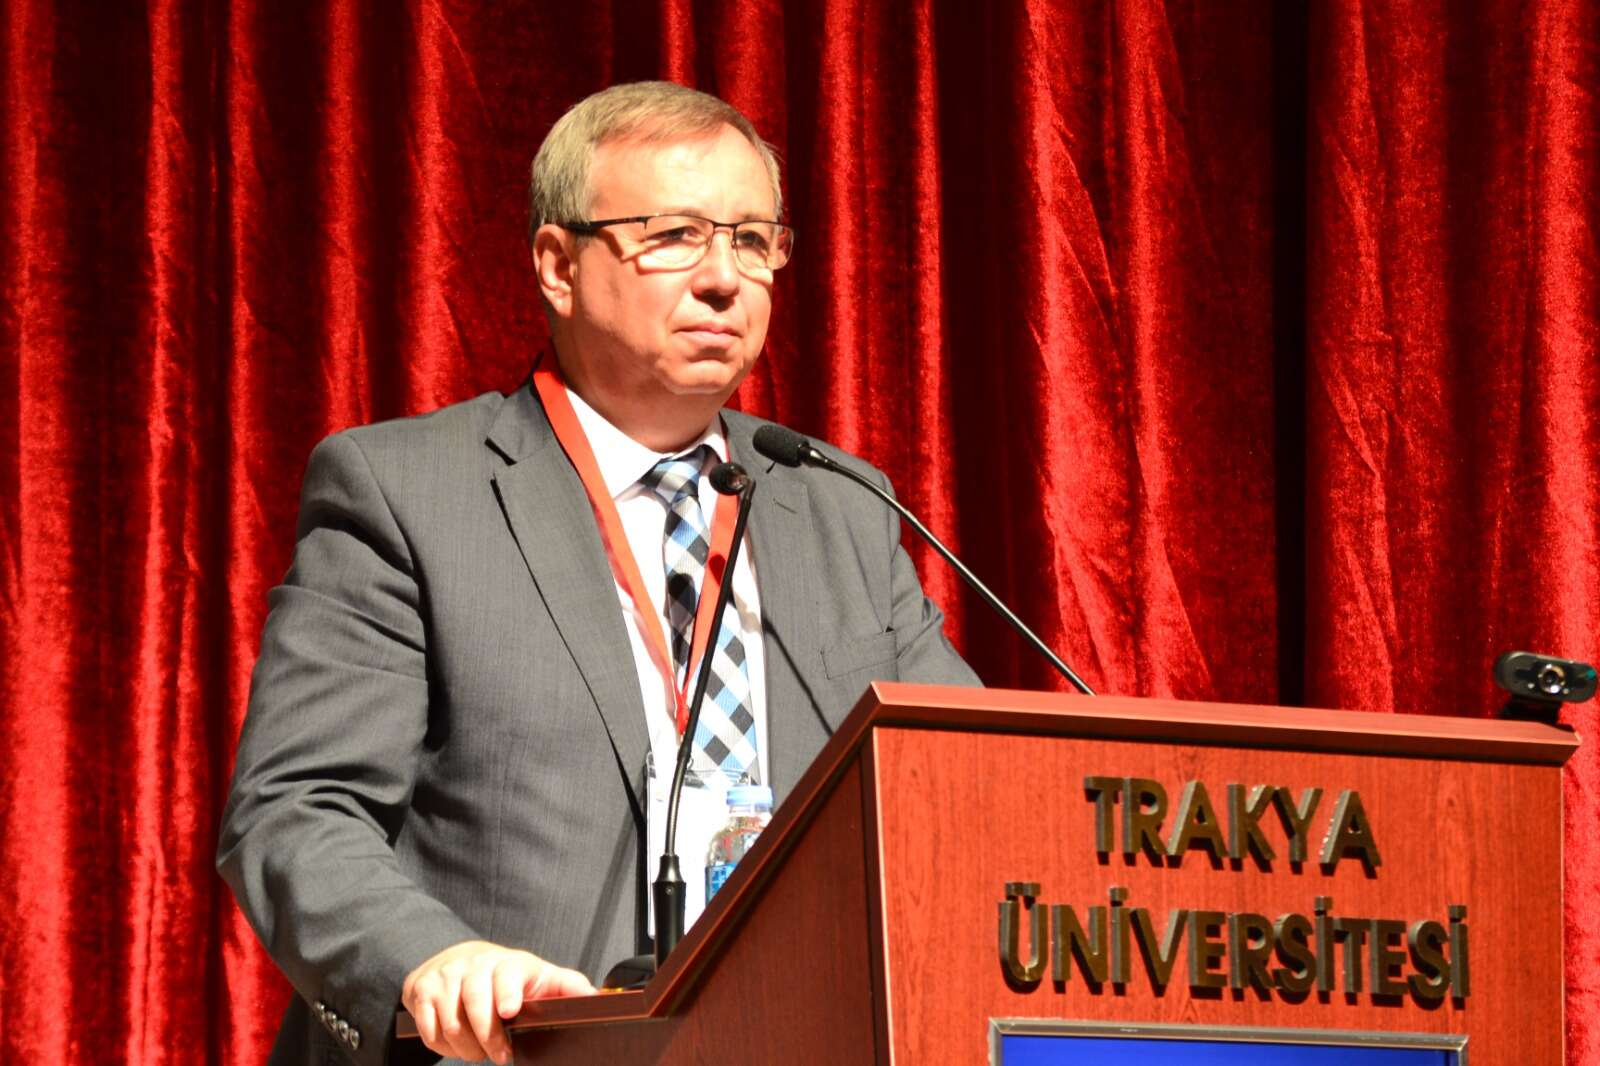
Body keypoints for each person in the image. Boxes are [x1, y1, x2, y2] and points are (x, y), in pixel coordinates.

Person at [217, 81, 977, 1066]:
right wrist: (433, 959)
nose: (725, 278)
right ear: (558, 264)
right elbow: (296, 810)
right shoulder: (406, 493)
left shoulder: (840, 507)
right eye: (676, 236)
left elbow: (963, 784)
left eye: (753, 241)